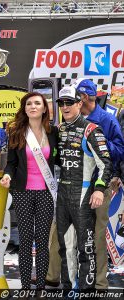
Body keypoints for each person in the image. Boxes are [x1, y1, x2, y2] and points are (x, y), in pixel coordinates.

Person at [0, 92, 59, 291]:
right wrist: (7, 176)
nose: (33, 106)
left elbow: (58, 161)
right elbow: (11, 164)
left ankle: (41, 287)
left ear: (44, 108)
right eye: (29, 104)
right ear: (24, 109)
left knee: (43, 241)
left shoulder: (53, 132)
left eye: (37, 103)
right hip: (23, 192)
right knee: (25, 241)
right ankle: (25, 287)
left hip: (45, 193)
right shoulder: (17, 131)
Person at [56, 86, 112, 290]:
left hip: (83, 195)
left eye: (69, 102)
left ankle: (87, 290)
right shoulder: (59, 129)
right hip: (62, 195)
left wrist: (99, 189)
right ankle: (68, 287)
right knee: (65, 246)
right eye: (61, 103)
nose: (65, 107)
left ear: (80, 103)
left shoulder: (91, 129)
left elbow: (106, 162)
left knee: (85, 247)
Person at [75, 79, 124, 289]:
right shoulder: (72, 117)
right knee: (69, 233)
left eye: (77, 97)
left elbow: (120, 150)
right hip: (74, 183)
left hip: (99, 184)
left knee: (97, 234)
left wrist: (98, 145)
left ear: (84, 97)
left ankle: (100, 283)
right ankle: (71, 278)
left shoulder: (107, 119)